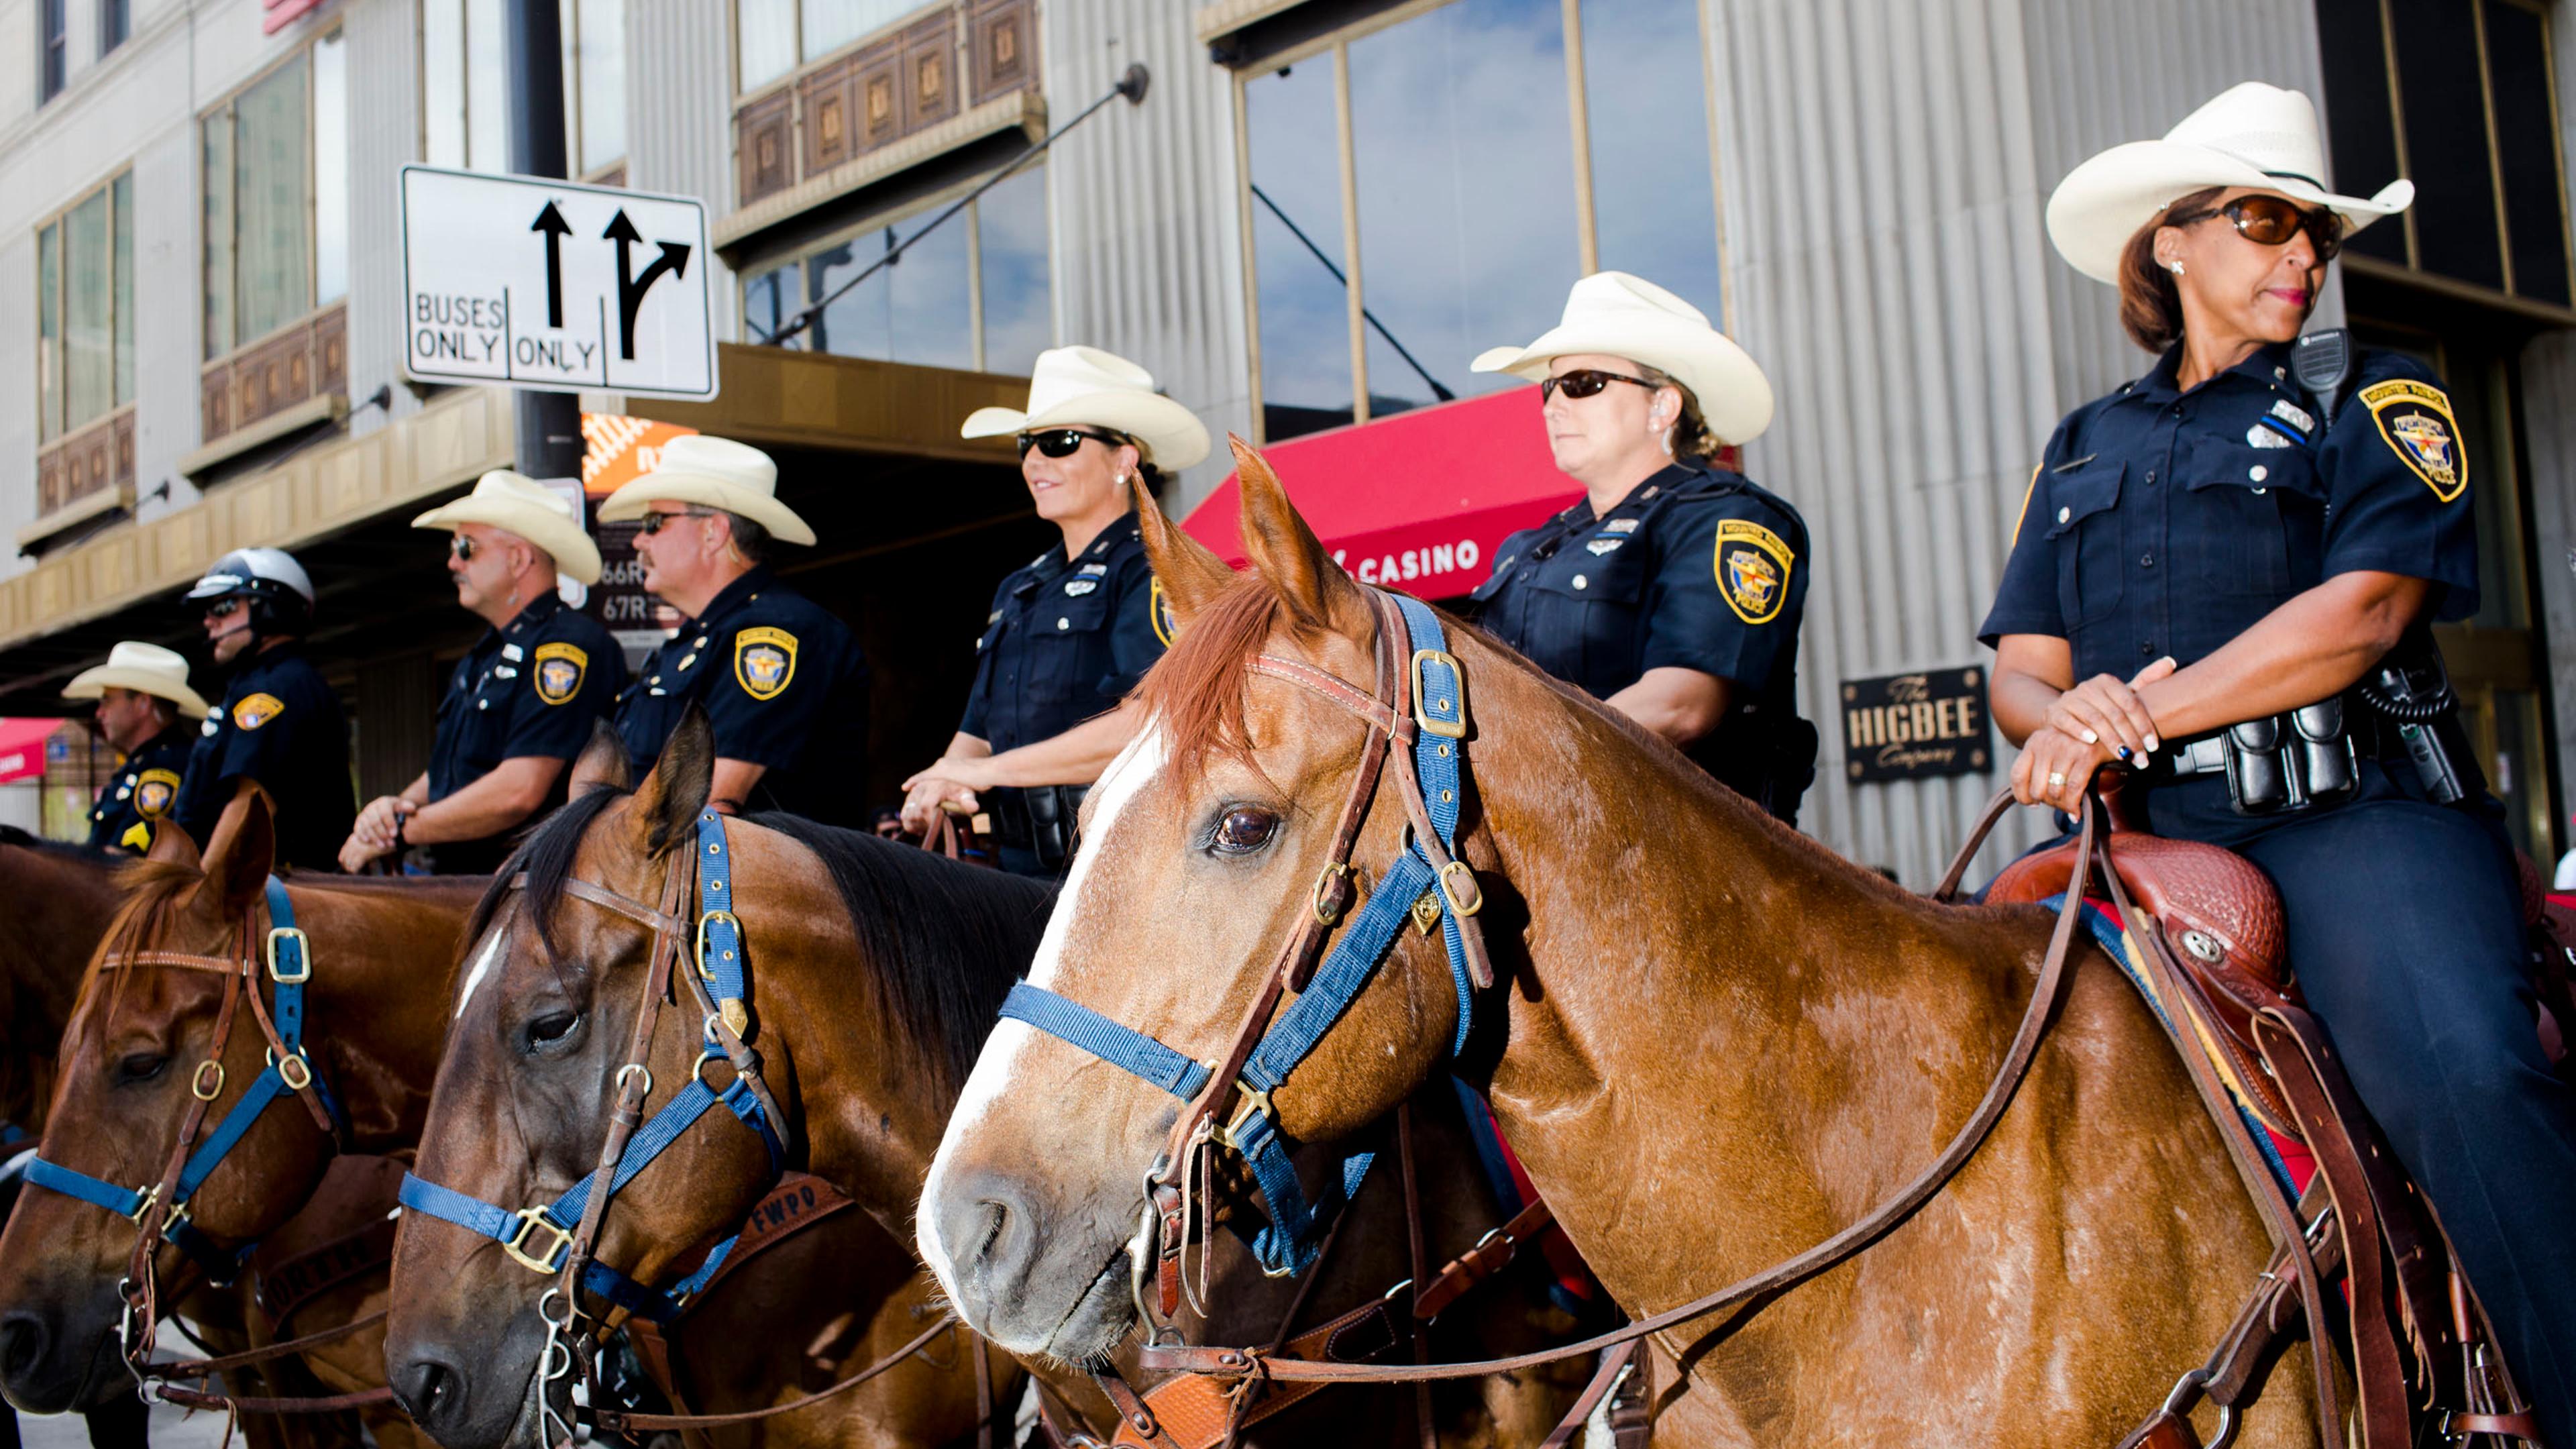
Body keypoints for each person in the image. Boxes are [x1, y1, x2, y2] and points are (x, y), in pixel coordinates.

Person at [1981, 83, 2575, 1438]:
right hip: (2132, 838)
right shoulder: (2081, 443)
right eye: (2264, 222)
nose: (2302, 255)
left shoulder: (2382, 389)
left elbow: (2364, 612)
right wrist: (2059, 720)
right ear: (2170, 242)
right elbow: (2023, 662)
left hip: (2352, 817)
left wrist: (2135, 713)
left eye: (2314, 229)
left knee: (2466, 1071)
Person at [1464, 271, 1819, 824]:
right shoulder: (1526, 549)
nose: (1553, 407)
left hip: (1693, 865)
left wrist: (1514, 767)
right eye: (1548, 388)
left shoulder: (1729, 517)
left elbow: (1681, 706)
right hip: (1545, 852)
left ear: (1664, 406)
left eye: (1582, 383)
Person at [898, 347, 1208, 877]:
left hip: (1121, 874)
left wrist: (986, 772)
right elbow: (978, 729)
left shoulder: (1153, 570)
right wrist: (942, 778)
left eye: (1058, 443)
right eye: (1027, 446)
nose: (1034, 462)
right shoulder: (1020, 587)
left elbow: (1153, 722)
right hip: (1012, 871)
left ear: (1124, 459)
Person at [340, 472, 626, 874]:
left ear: (519, 558)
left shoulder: (567, 647)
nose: (453, 561)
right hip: (467, 888)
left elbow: (519, 791)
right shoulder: (485, 654)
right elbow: (449, 772)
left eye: (466, 547)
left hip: (522, 899)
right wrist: (390, 811)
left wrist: (403, 830)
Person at [596, 435, 868, 824]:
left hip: (753, 883)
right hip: (667, 875)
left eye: (654, 524)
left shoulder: (775, 632)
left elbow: (710, 799)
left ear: (714, 532)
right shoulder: (693, 641)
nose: (639, 539)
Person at [171, 548, 355, 871]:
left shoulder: (275, 688)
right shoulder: (257, 684)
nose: (209, 622)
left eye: (225, 607)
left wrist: (200, 894)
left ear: (271, 608)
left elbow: (251, 805)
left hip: (285, 895)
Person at [60, 642, 211, 854]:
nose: (100, 713)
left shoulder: (167, 765)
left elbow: (124, 861)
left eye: (107, 701)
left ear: (142, 704)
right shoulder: (141, 764)